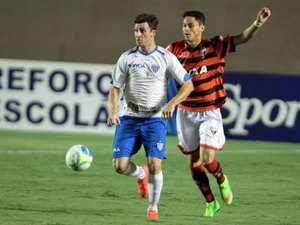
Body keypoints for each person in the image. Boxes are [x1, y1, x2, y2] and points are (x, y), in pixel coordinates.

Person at [166, 7, 271, 217]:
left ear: (201, 27)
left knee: (206, 159)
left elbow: (243, 38)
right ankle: (211, 202)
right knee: (194, 164)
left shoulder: (215, 45)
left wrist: (257, 23)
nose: (186, 29)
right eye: (184, 25)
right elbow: (157, 66)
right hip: (186, 113)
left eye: (191, 25)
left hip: (209, 112)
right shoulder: (174, 50)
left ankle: (222, 179)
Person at [107, 13, 194, 221]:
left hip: (155, 120)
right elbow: (115, 87)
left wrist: (173, 103)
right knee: (119, 167)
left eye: (142, 31)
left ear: (153, 33)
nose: (138, 34)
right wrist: (113, 111)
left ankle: (153, 207)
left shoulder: (165, 57)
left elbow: (189, 84)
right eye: (136, 30)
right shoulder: (127, 57)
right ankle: (140, 174)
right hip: (129, 118)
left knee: (156, 164)